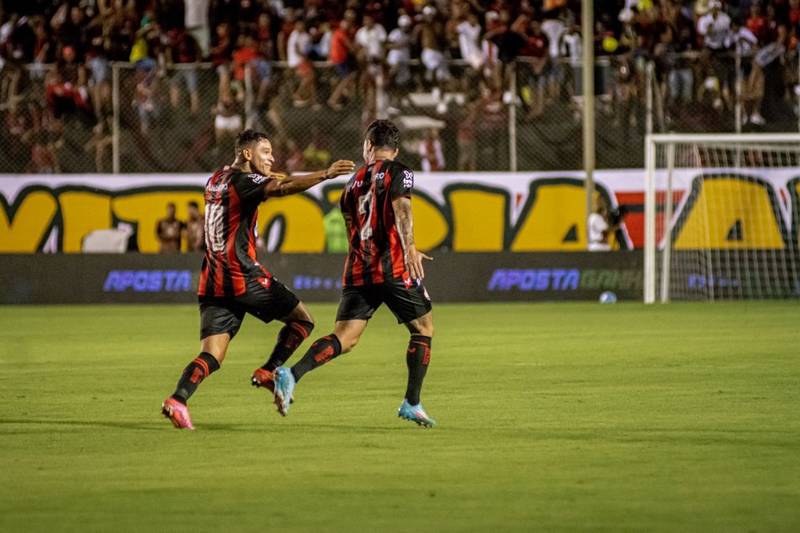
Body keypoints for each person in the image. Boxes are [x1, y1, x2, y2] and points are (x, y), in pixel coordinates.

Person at [161, 129, 355, 429]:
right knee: (303, 321)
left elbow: (260, 182)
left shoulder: (216, 179)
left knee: (212, 354)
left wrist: (266, 173)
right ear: (247, 154)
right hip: (242, 275)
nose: (272, 157)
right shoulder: (244, 182)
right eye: (266, 152)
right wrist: (325, 174)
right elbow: (281, 187)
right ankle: (269, 371)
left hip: (212, 279)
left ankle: (178, 399)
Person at [271, 119, 437, 428]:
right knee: (424, 328)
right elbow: (403, 209)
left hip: (358, 270)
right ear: (395, 149)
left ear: (369, 146)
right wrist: (410, 247)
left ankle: (291, 374)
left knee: (345, 338)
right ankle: (411, 403)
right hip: (392, 266)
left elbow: (353, 229)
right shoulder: (400, 172)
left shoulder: (351, 183)